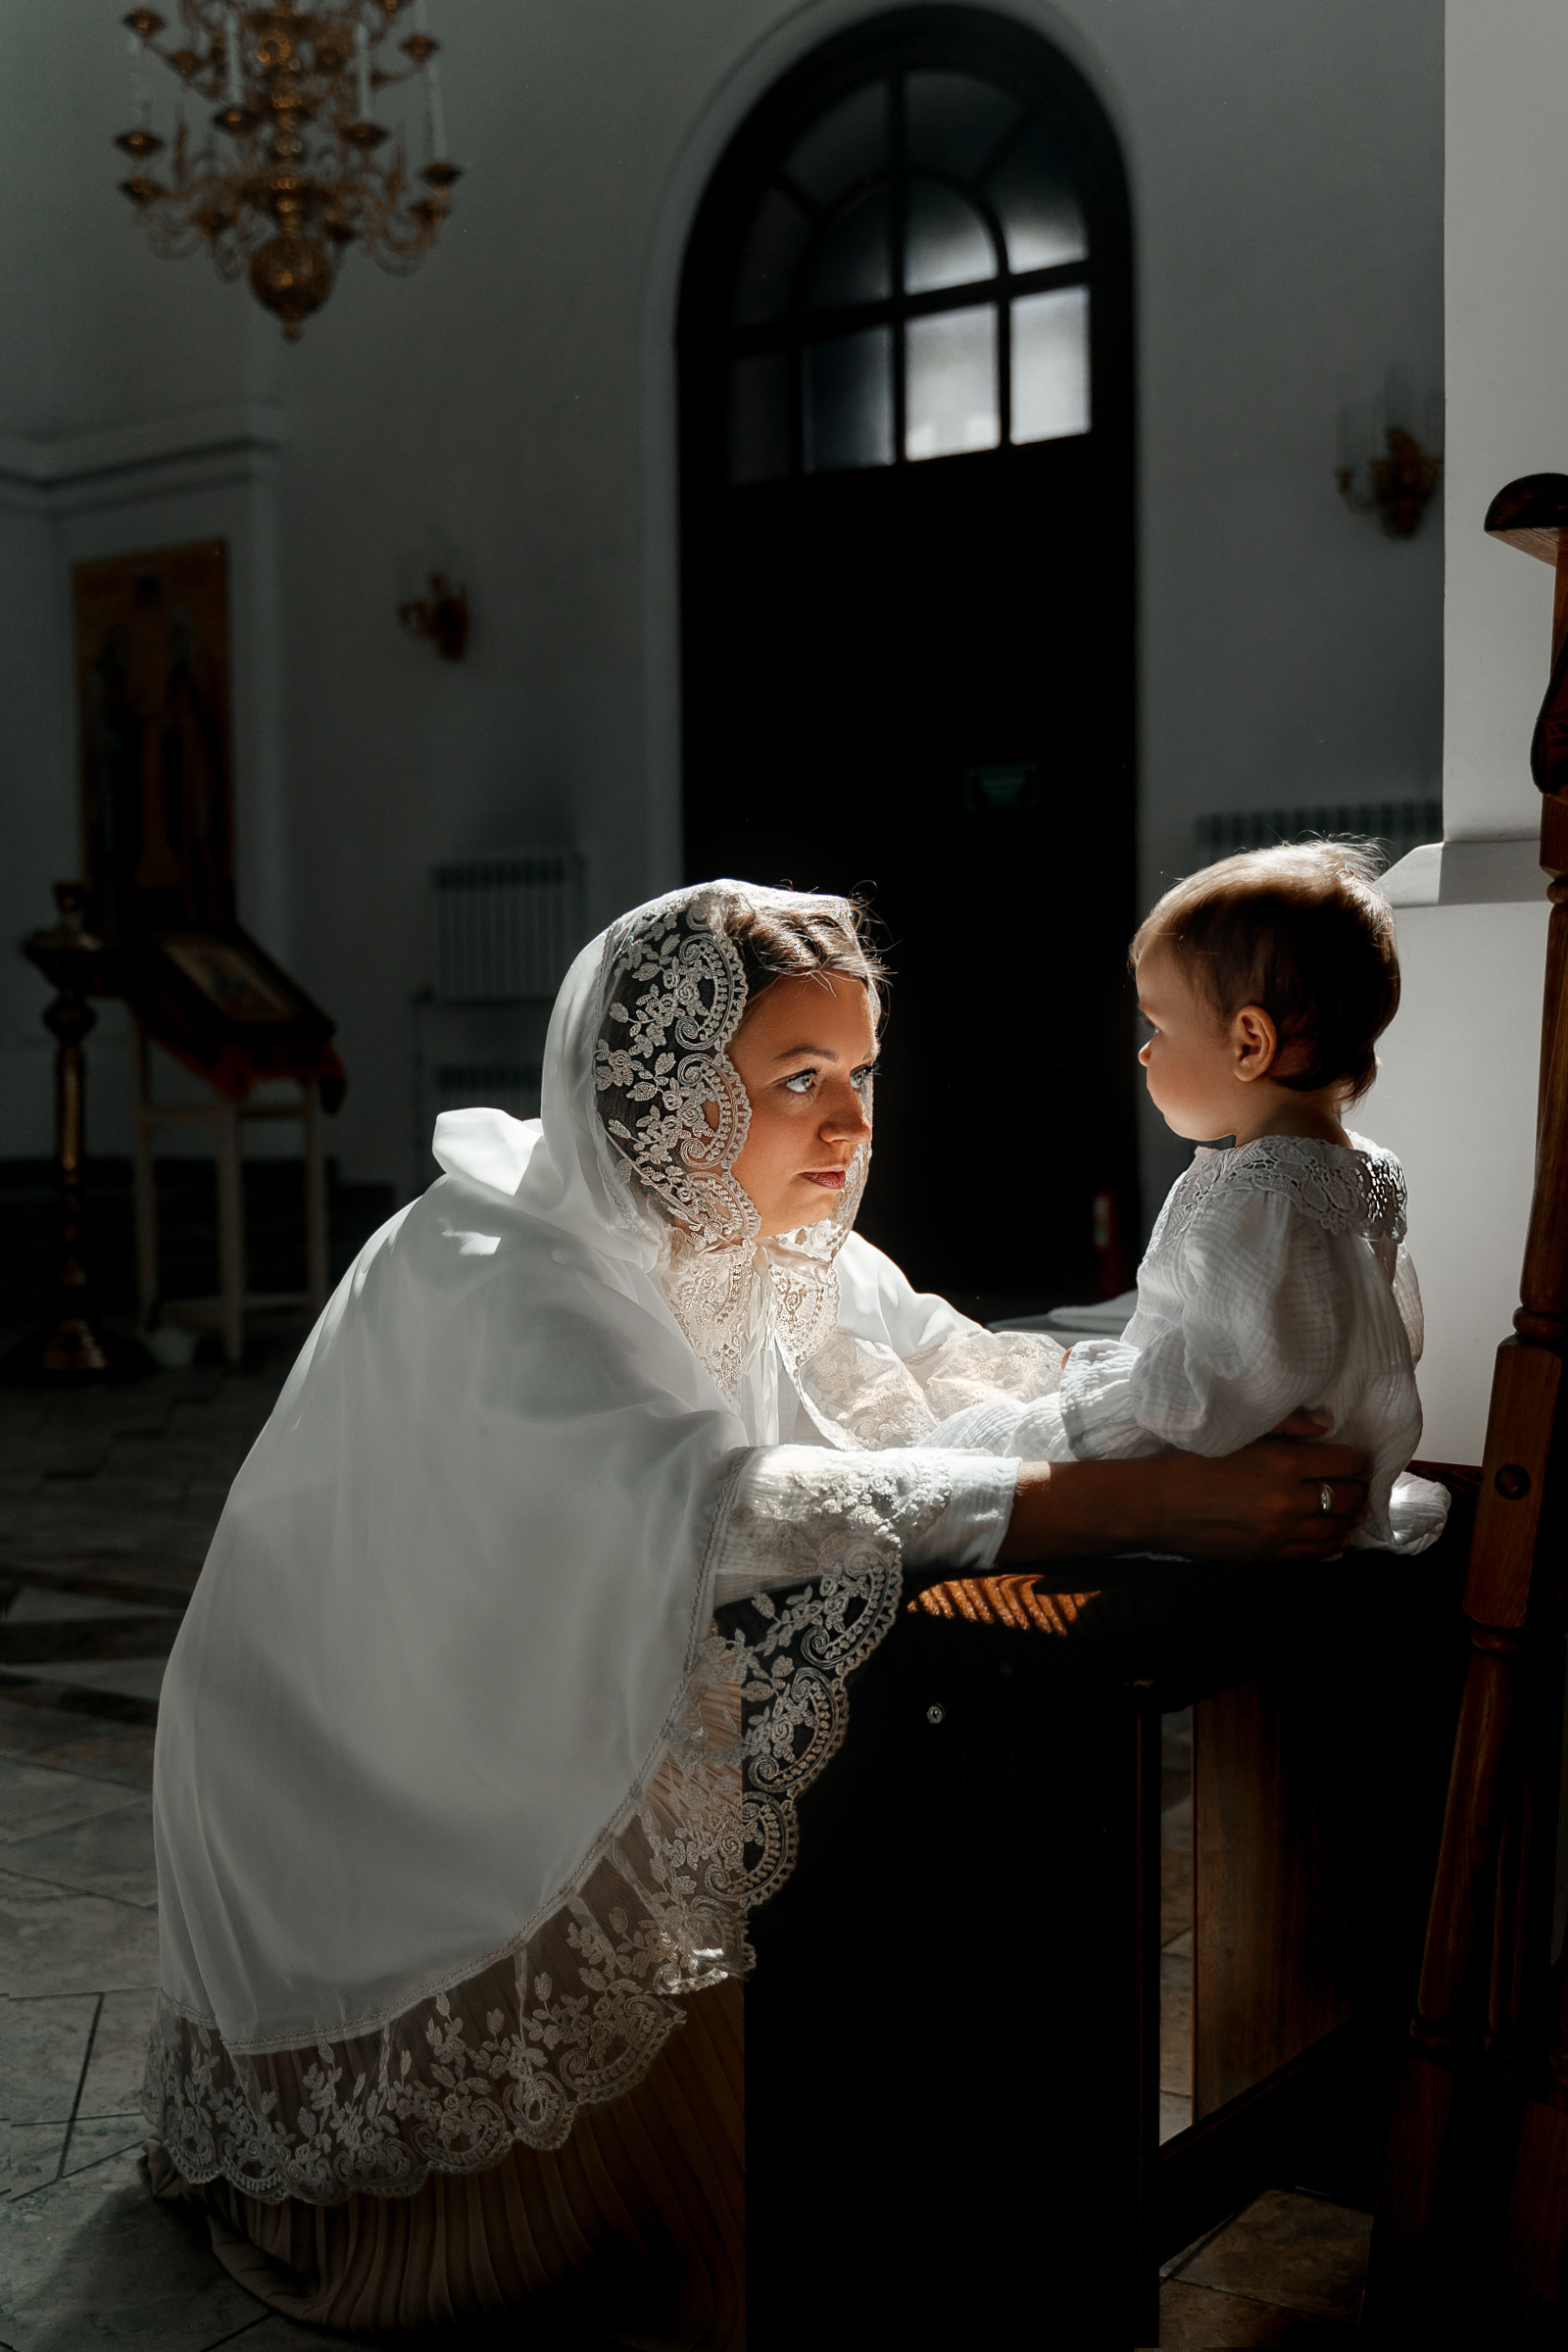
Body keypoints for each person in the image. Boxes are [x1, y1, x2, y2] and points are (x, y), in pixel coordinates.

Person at [143, 880, 1369, 2345]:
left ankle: (941, 2164)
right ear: (668, 1086)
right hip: (375, 1766)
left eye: (860, 1074)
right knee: (853, 1655)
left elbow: (976, 1372)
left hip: (501, 1692)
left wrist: (1225, 1397)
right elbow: (718, 1512)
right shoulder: (497, 1265)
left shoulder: (790, 1242)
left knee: (892, 1648)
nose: (849, 1125)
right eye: (798, 1080)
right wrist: (1142, 1502)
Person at [944, 843, 1446, 1553]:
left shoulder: (1259, 1196)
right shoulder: (1359, 1172)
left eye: (1158, 1027)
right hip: (1311, 1458)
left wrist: (1112, 1383)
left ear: (1249, 1044)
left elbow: (1218, 1395)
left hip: (1210, 1467)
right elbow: (1390, 1343)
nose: (1144, 1052)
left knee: (973, 1445)